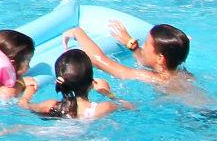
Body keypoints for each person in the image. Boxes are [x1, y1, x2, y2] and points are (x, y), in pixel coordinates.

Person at [63, 20, 194, 94]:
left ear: (160, 58)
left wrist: (78, 33)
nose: (142, 45)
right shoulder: (183, 74)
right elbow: (147, 61)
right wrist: (131, 44)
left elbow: (99, 61)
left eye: (146, 45)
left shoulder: (154, 78)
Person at [19, 48, 128, 120]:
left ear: (58, 82)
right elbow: (131, 108)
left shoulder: (51, 106)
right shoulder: (102, 108)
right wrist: (111, 95)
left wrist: (28, 88)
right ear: (91, 84)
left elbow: (24, 105)